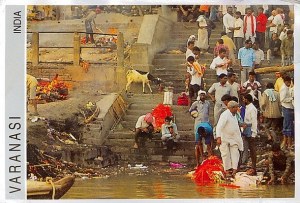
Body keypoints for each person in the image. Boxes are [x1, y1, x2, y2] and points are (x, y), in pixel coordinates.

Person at [216, 101, 243, 177]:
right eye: (236, 107)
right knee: (225, 154)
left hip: (234, 138)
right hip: (224, 138)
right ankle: (227, 170)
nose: (237, 109)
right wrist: (218, 137)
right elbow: (219, 126)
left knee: (235, 153)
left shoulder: (235, 114)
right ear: (232, 108)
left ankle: (234, 170)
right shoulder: (225, 115)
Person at [240, 94, 258, 172]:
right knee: (247, 147)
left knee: (252, 148)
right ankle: (247, 164)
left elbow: (254, 121)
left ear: (246, 100)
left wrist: (254, 133)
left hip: (250, 129)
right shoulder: (247, 108)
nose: (243, 101)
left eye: (244, 99)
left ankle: (254, 166)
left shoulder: (252, 109)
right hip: (246, 128)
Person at [279, 75, 294, 150]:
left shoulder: (287, 88)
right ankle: (288, 144)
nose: (289, 83)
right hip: (287, 108)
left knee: (288, 125)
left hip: (288, 108)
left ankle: (287, 143)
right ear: (286, 82)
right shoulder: (284, 89)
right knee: (288, 125)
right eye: (288, 82)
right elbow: (282, 99)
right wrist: (291, 98)